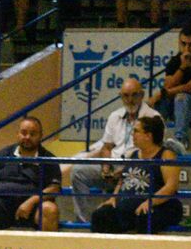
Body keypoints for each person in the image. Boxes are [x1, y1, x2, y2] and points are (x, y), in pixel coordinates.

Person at [68, 77, 162, 223]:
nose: (130, 100)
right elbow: (107, 147)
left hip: (137, 170)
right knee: (78, 171)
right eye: (125, 95)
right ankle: (83, 221)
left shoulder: (153, 117)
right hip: (112, 167)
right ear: (120, 96)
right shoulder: (114, 116)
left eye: (134, 95)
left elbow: (156, 150)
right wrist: (106, 167)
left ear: (142, 95)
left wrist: (126, 170)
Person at [0, 116, 60, 232]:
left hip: (34, 206)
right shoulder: (4, 154)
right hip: (1, 204)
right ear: (17, 134)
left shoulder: (49, 159)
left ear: (40, 136)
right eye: (24, 133)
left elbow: (54, 188)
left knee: (50, 210)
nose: (27, 137)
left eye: (33, 134)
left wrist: (30, 202)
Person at [90, 115, 182, 234]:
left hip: (159, 205)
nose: (132, 135)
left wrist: (150, 202)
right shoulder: (133, 155)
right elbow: (123, 180)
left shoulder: (166, 155)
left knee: (144, 217)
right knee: (101, 215)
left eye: (136, 131)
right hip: (128, 204)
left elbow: (171, 186)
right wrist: (113, 198)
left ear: (148, 136)